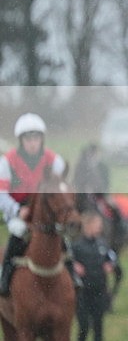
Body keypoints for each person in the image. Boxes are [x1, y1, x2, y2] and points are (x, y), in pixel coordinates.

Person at [0, 113, 82, 296]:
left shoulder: (54, 161)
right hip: (18, 209)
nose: (32, 143)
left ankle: (72, 273)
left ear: (41, 139)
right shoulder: (7, 162)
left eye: (36, 138)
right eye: (28, 139)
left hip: (45, 211)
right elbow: (1, 194)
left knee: (62, 238)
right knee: (18, 233)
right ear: (21, 140)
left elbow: (62, 189)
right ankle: (5, 278)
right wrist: (17, 210)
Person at [72, 210, 122, 341]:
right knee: (84, 326)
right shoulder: (76, 246)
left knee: (99, 326)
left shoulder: (102, 244)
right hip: (82, 292)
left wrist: (111, 265)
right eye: (97, 225)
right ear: (88, 225)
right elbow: (67, 264)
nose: (100, 228)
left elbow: (112, 258)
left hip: (99, 290)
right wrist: (74, 267)